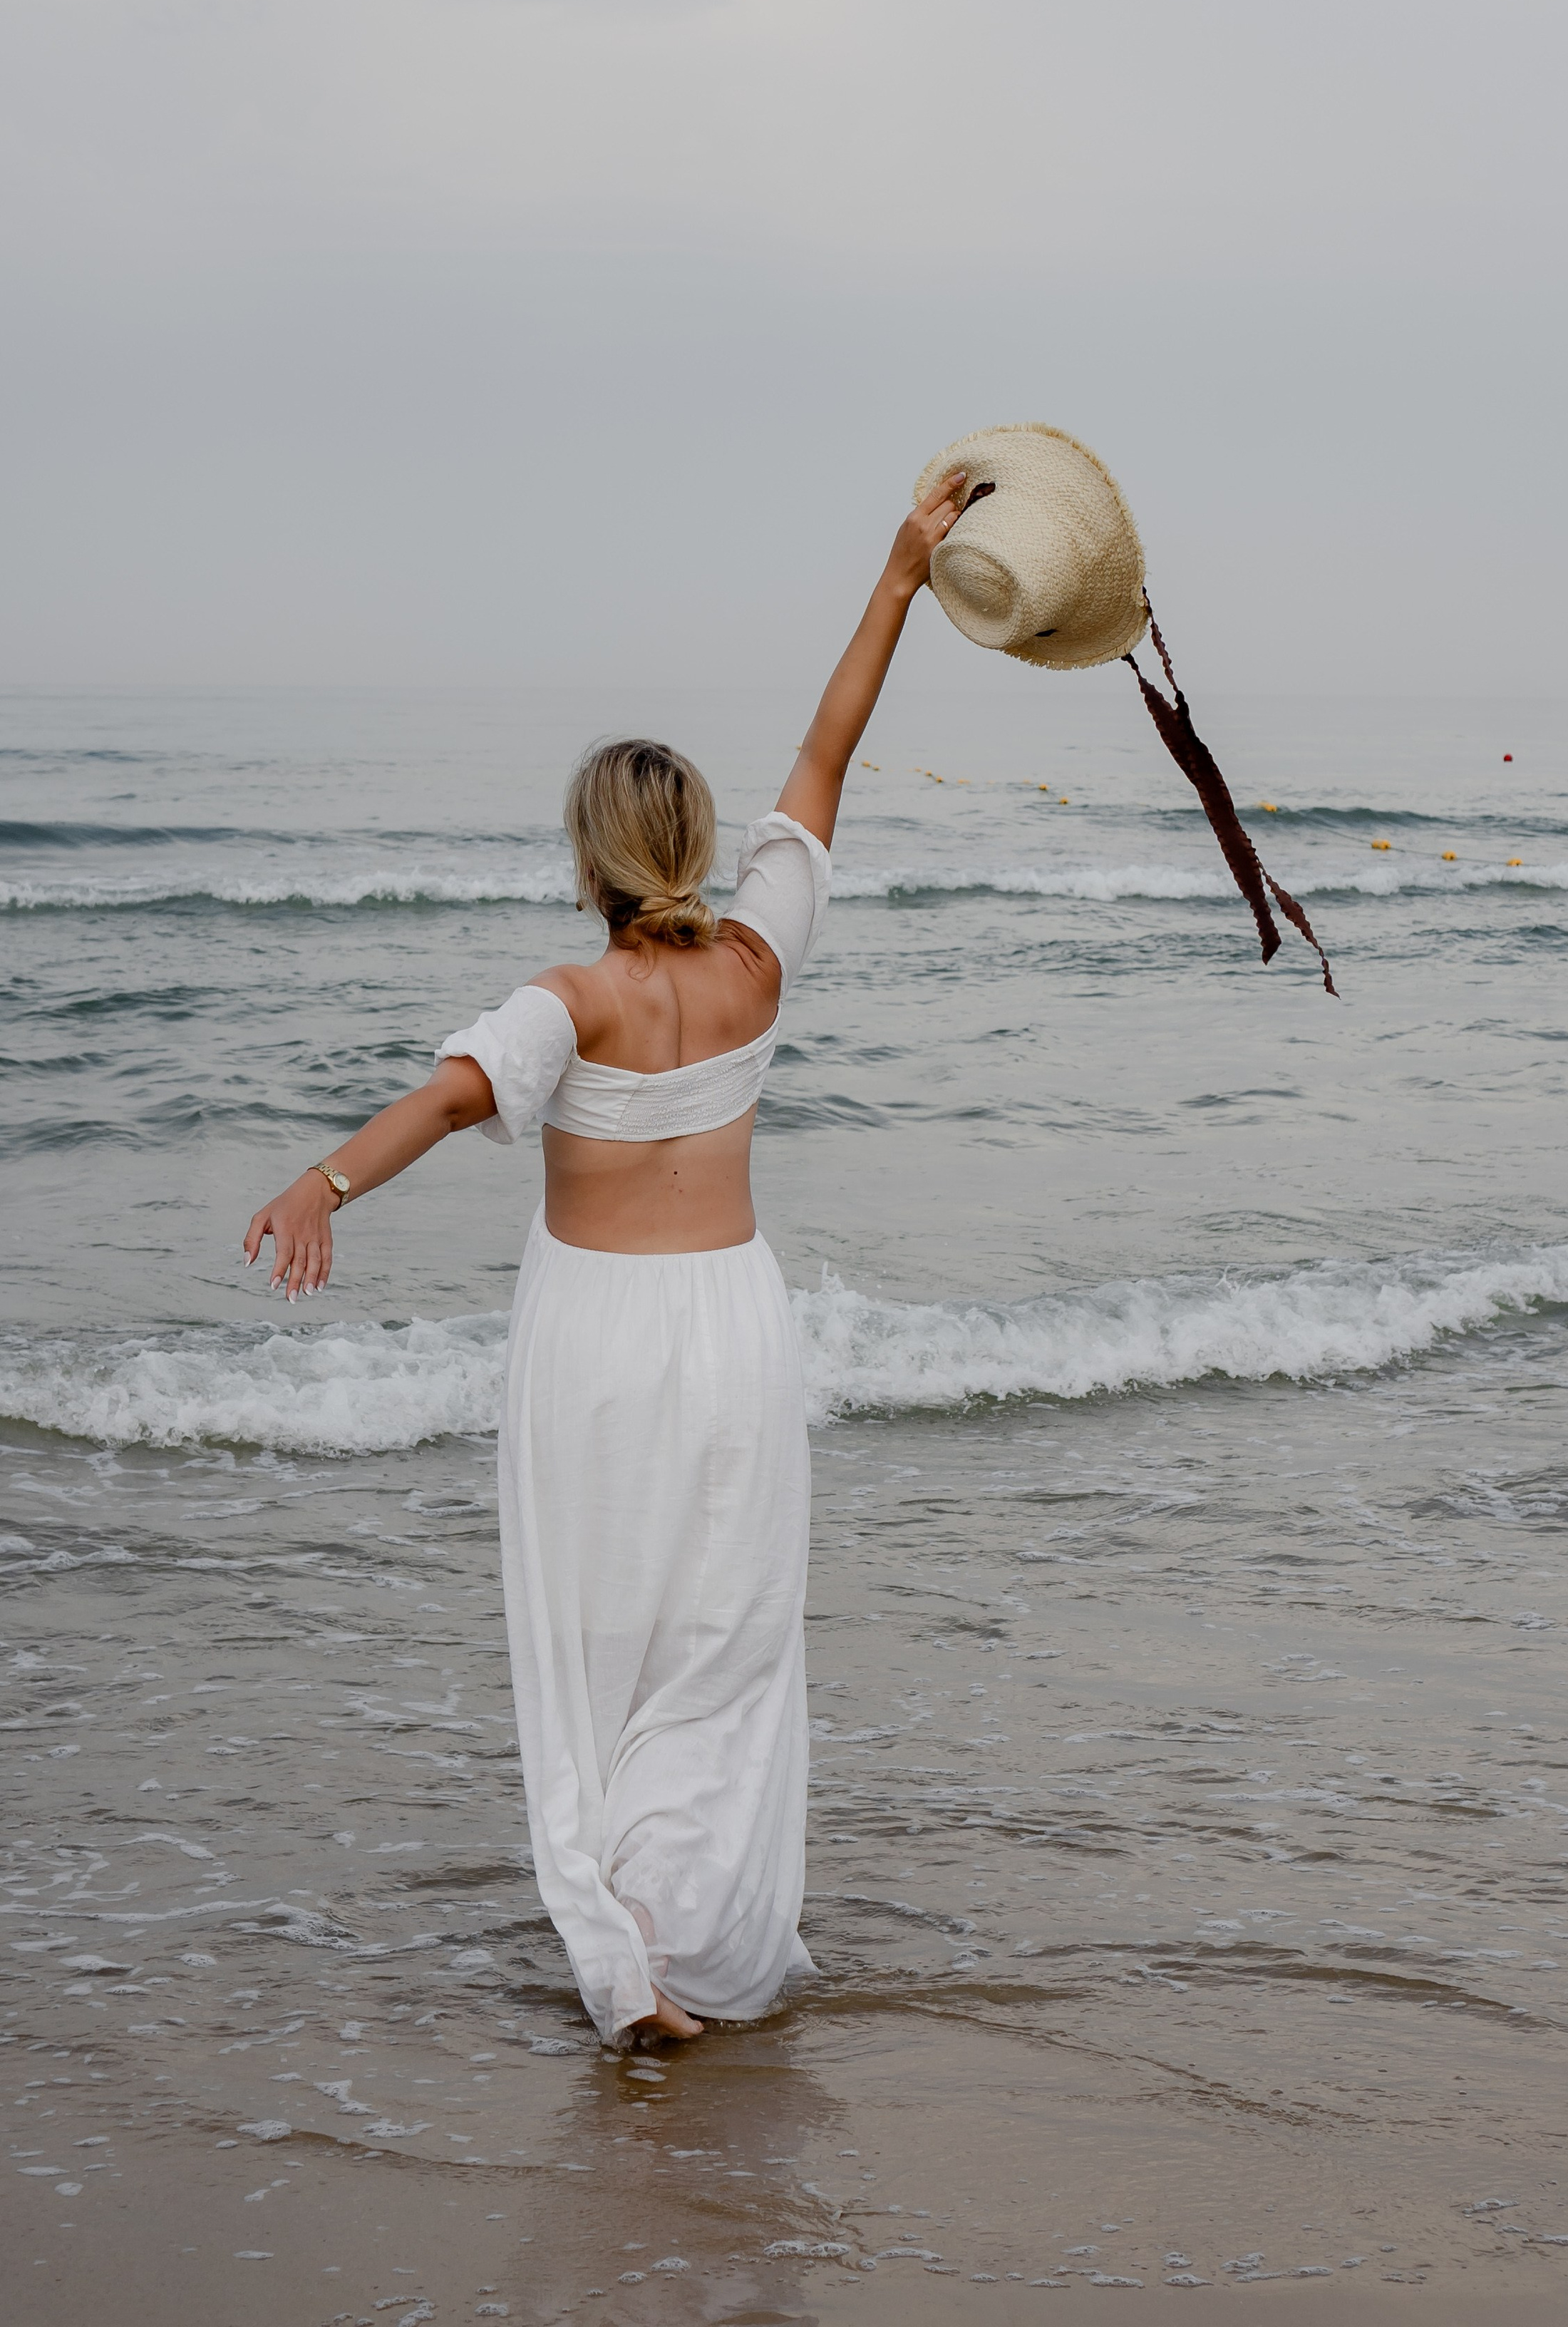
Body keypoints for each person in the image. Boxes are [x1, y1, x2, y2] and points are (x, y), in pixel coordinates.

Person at [244, 470, 970, 2045]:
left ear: (587, 855)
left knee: (589, 1646)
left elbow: (447, 1101)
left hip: (592, 1341)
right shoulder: (758, 963)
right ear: (700, 843)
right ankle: (694, 1938)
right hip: (734, 1326)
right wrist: (899, 576)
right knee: (720, 1643)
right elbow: (827, 756)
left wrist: (321, 1184)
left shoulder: (566, 998)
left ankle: (624, 1952)